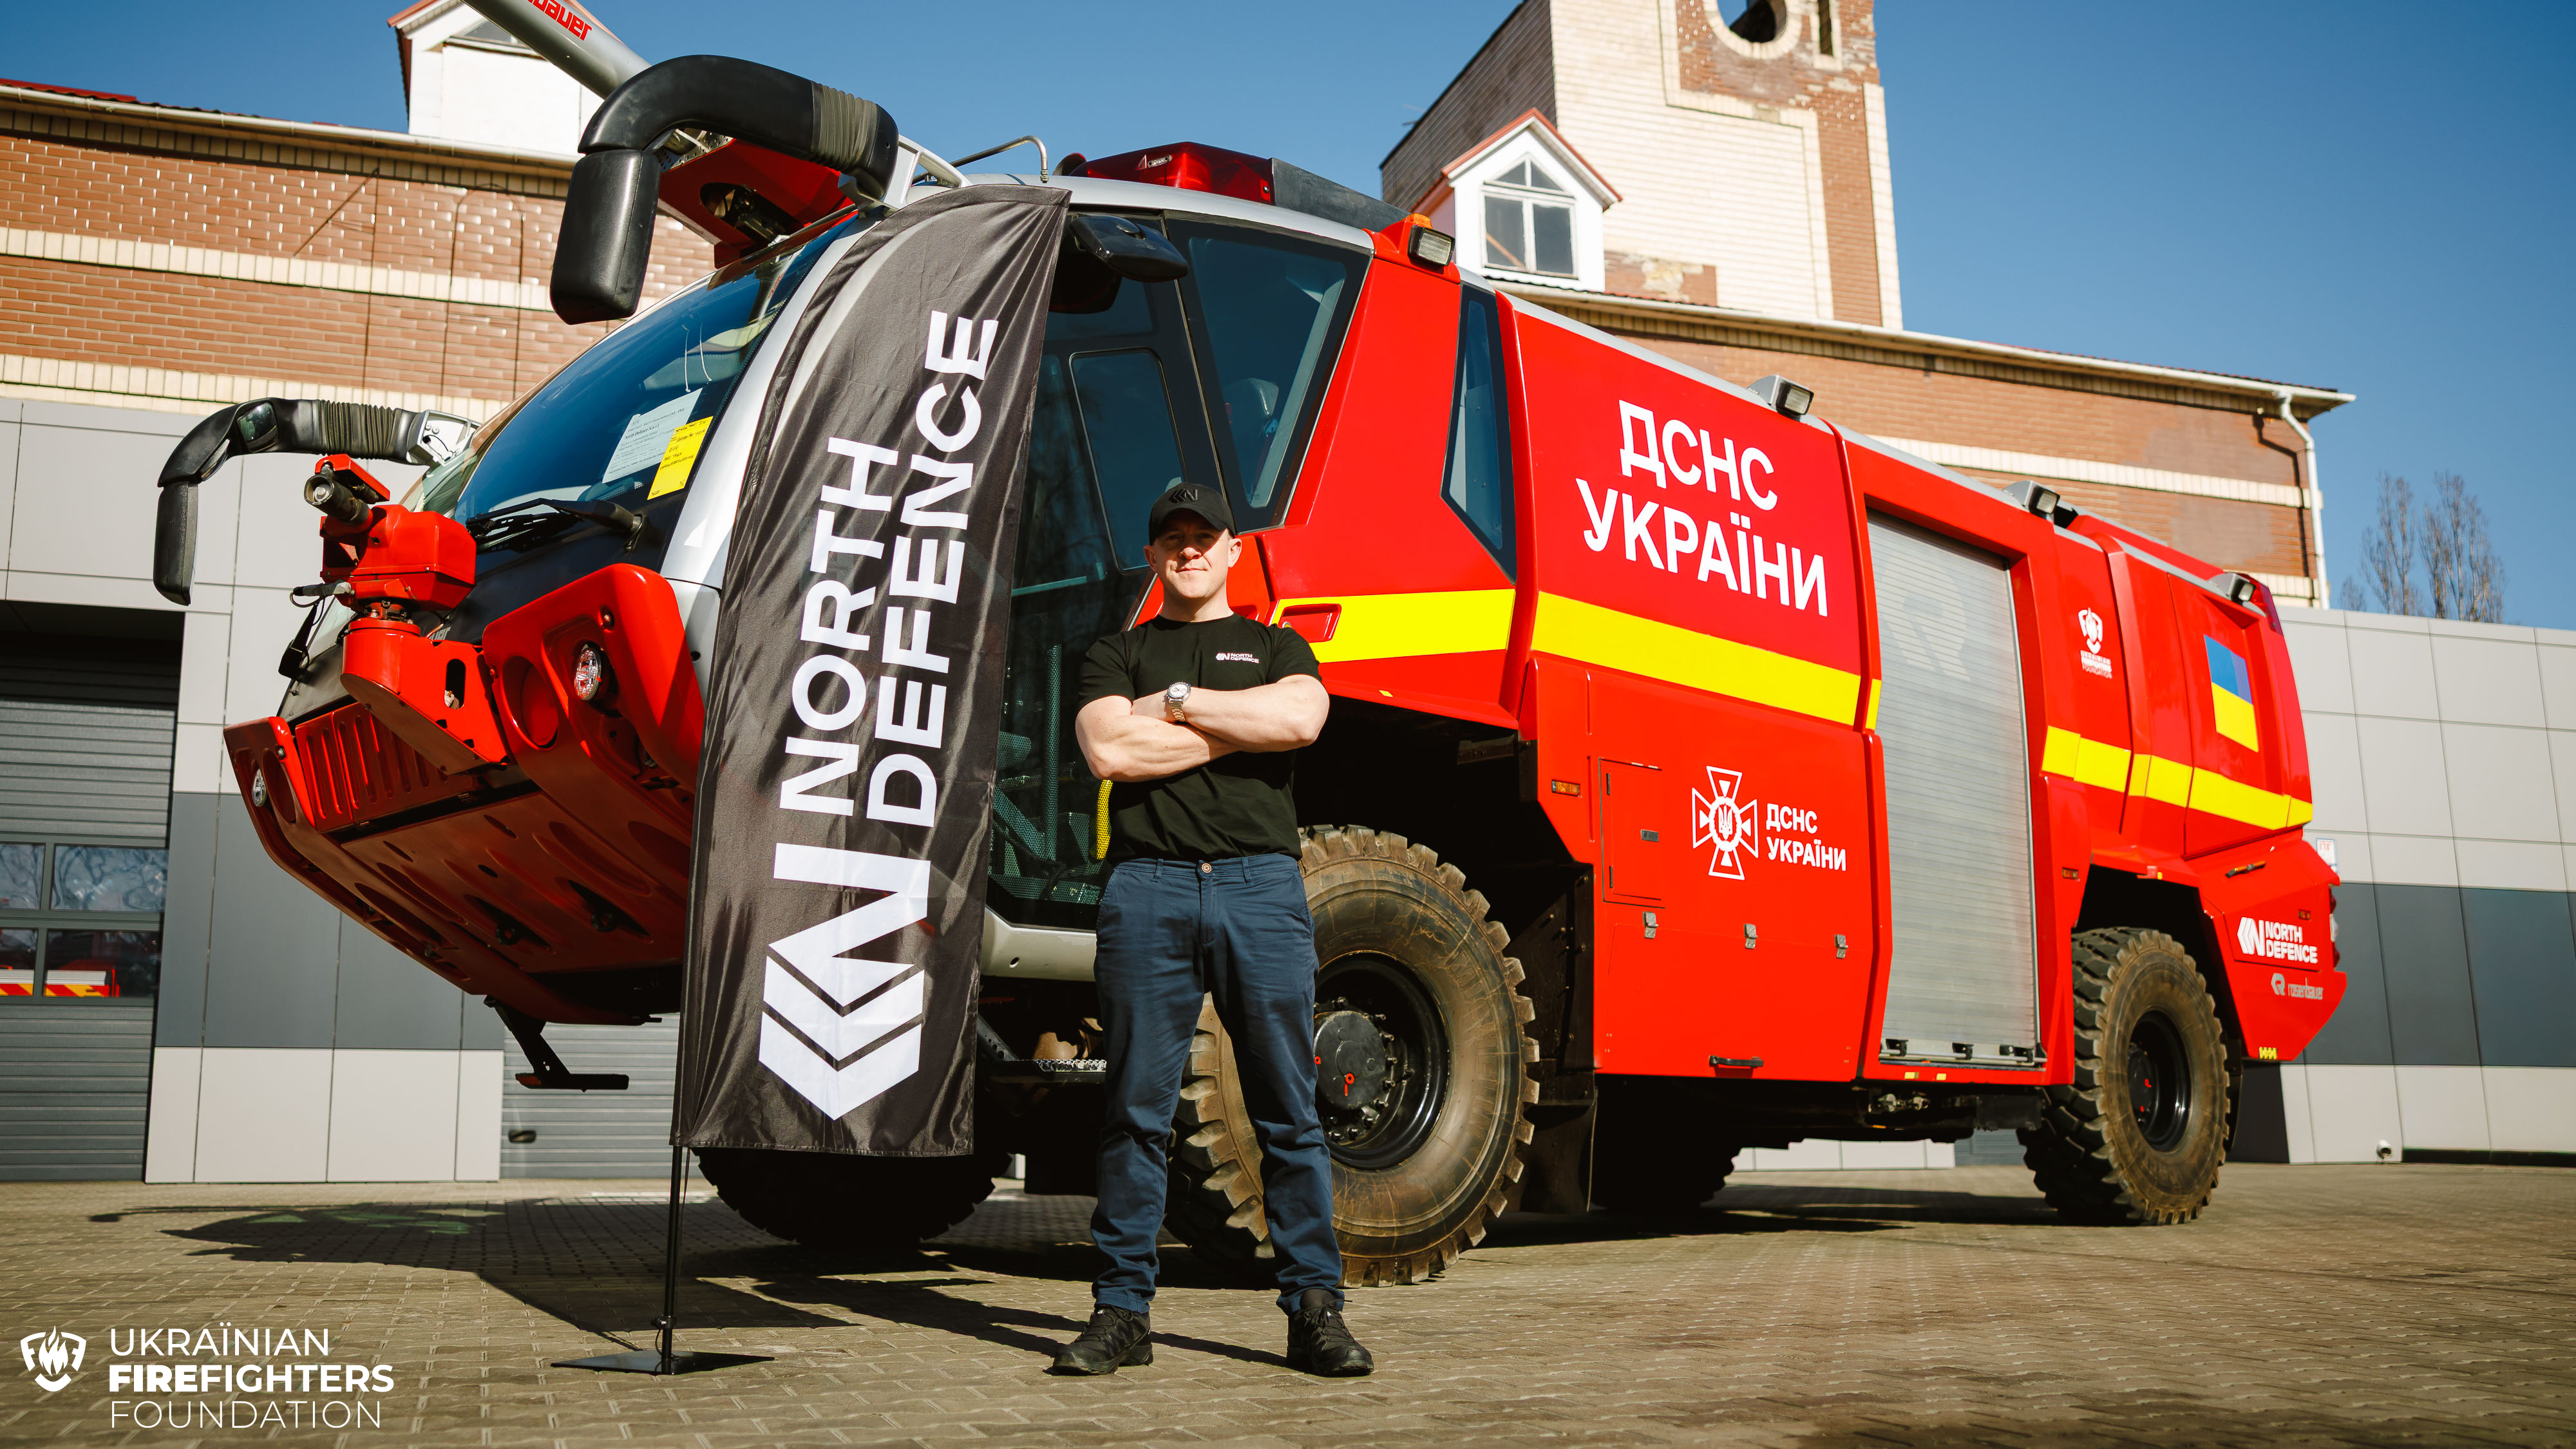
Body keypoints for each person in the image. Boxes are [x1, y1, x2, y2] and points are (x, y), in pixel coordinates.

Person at [1048, 481, 1373, 1379]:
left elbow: (1301, 718)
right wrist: (1240, 722)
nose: (1189, 550)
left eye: (1204, 536)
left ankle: (1315, 1311)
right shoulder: (1116, 651)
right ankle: (1122, 1313)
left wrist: (1176, 704)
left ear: (1233, 550)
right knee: (1134, 1113)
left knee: (1288, 1110)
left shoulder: (1278, 645)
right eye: (1173, 538)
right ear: (1153, 556)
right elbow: (1109, 750)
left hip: (1258, 886)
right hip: (1145, 888)